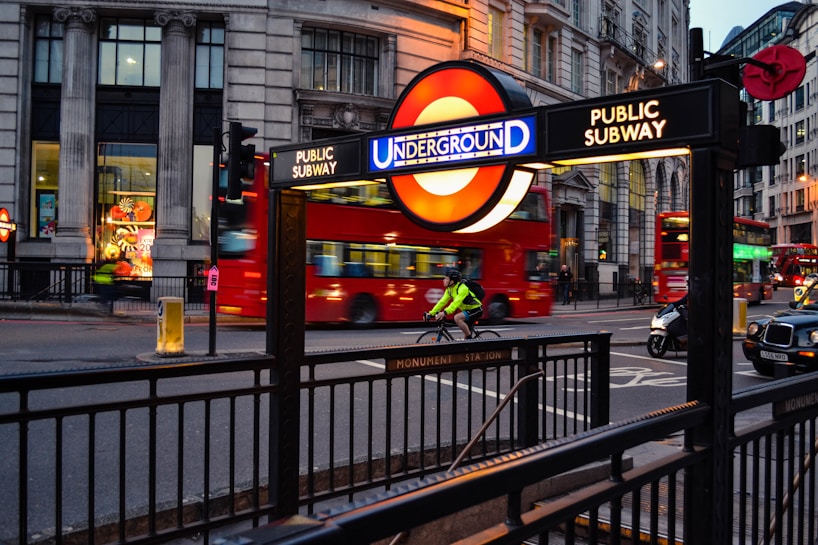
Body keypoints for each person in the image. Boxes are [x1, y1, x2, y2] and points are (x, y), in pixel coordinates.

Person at [427, 269, 483, 340]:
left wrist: (444, 312)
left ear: (452, 281)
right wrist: (431, 313)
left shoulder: (463, 289)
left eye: (446, 278)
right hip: (467, 310)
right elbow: (442, 302)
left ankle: (470, 339)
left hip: (476, 309)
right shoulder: (449, 289)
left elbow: (455, 303)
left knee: (457, 318)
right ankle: (469, 341)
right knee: (465, 340)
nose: (443, 280)